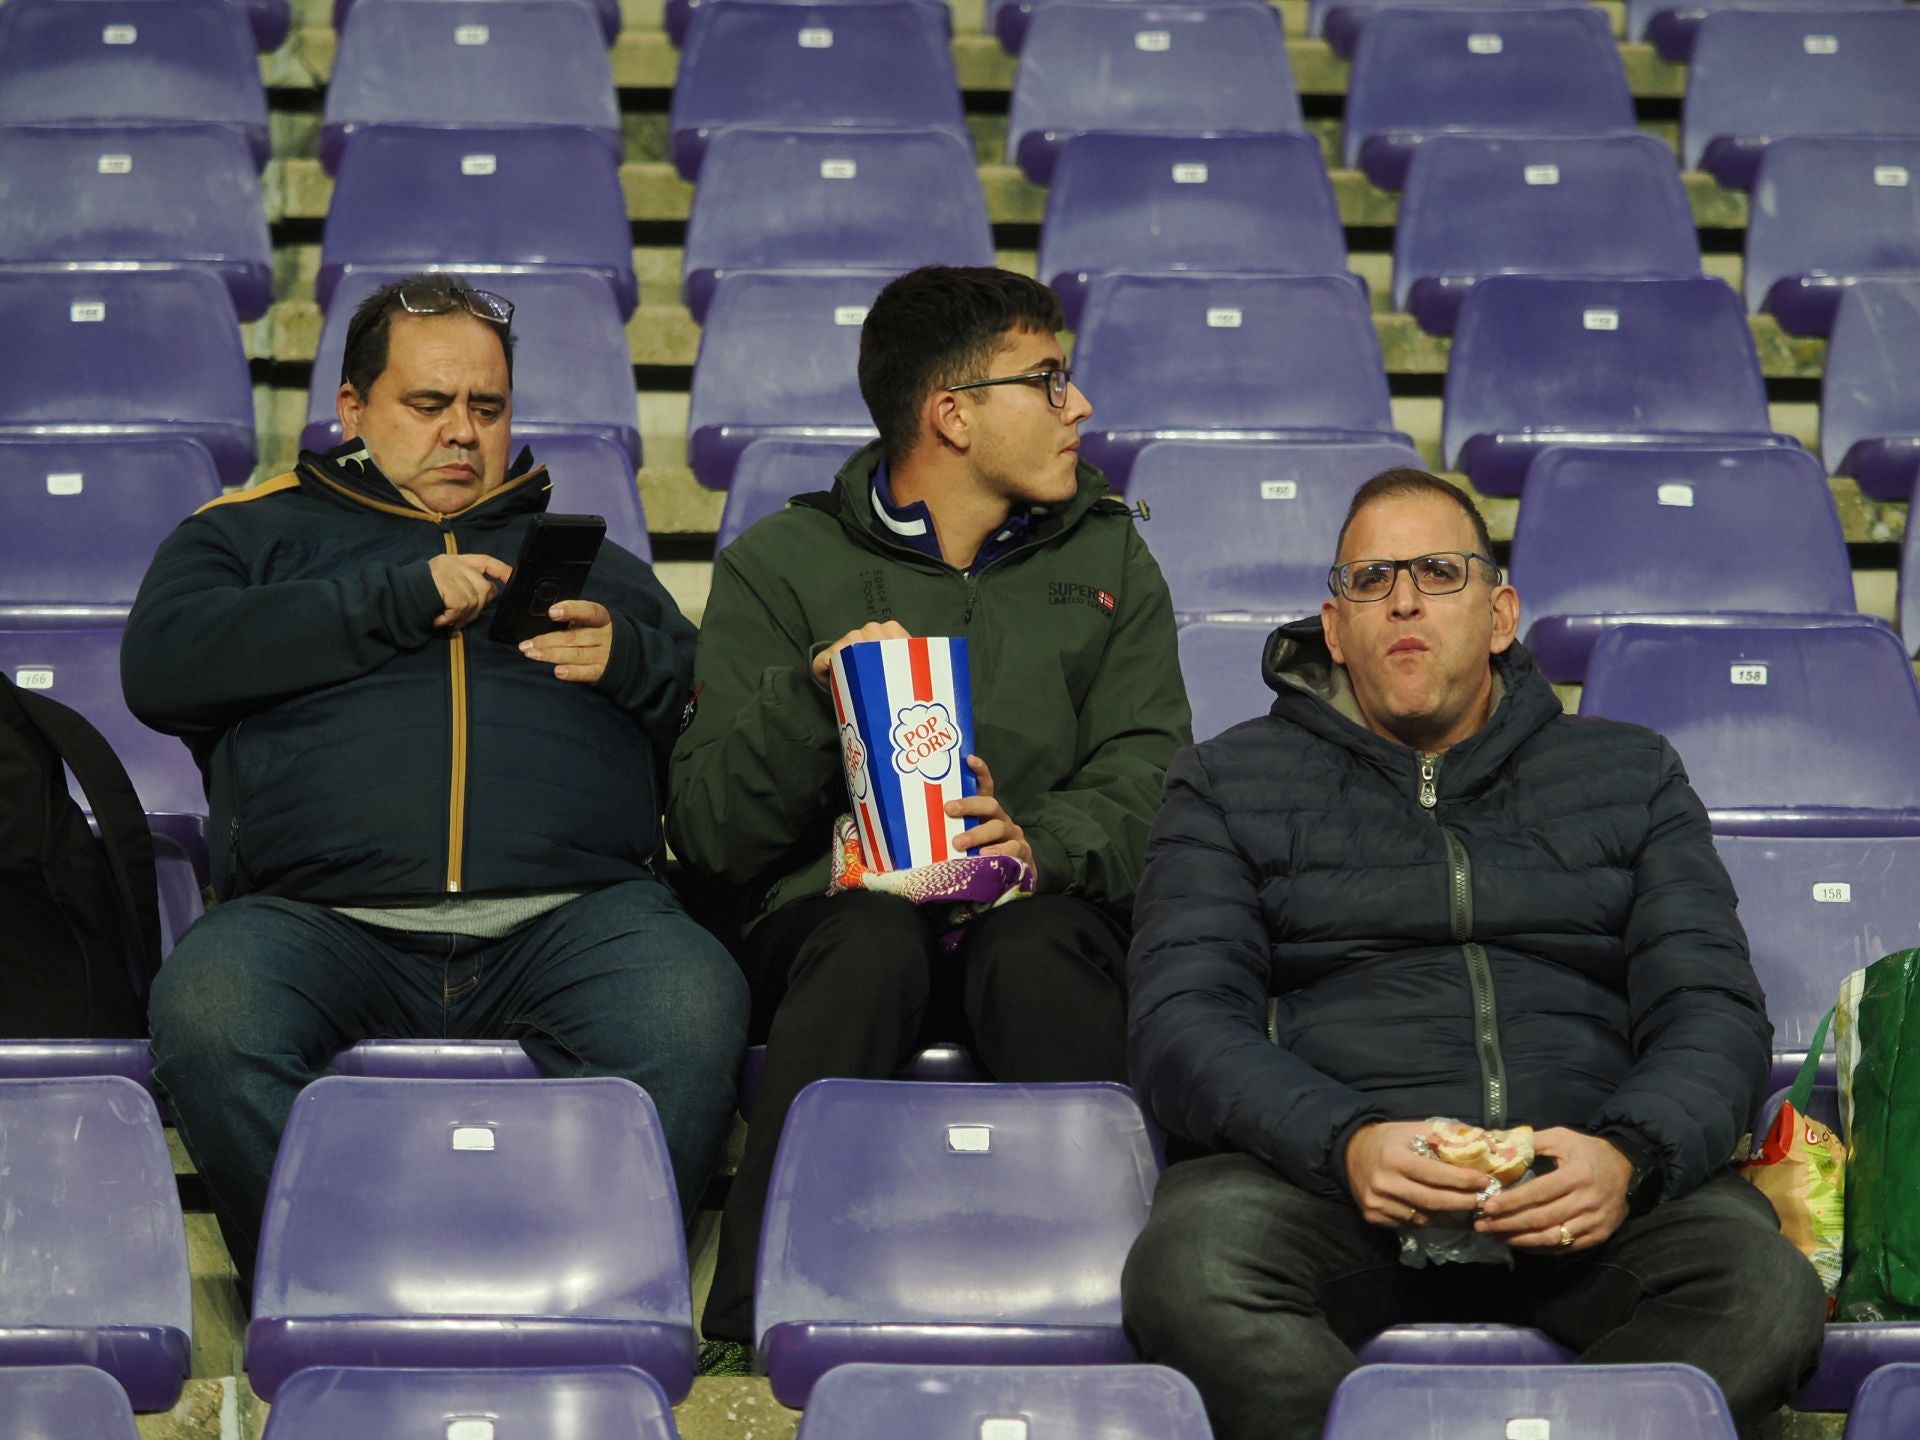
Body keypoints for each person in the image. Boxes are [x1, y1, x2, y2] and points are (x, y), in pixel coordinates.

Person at [1121, 467, 1825, 1440]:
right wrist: (1348, 1141)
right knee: (1189, 1273)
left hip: (1579, 1180)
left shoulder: (1628, 772)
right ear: (1335, 627)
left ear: (1500, 615)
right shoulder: (1226, 781)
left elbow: (1710, 1008)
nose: (1403, 599)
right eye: (1371, 581)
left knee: (1763, 1294)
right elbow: (1181, 1020)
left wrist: (1628, 1152)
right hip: (1329, 1188)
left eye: (1438, 573)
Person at [124, 273, 748, 1286]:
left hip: (576, 921)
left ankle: (591, 1297)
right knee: (212, 1012)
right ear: (354, 409)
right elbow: (162, 665)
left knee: (688, 1004)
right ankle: (332, 1292)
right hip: (317, 919)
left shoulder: (598, 568)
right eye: (429, 404)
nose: (462, 430)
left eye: (486, 407)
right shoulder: (246, 539)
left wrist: (637, 666)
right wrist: (397, 597)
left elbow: (716, 738)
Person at [670, 264, 1192, 1360]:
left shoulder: (1110, 556)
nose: (1079, 406)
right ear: (951, 414)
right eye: (1047, 381)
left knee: (1035, 945)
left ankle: (1138, 1316)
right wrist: (817, 706)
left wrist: (1039, 844)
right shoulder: (781, 562)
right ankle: (755, 1326)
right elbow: (711, 829)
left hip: (1045, 909)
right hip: (836, 923)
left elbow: (1156, 781)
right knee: (869, 939)